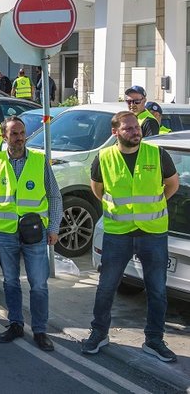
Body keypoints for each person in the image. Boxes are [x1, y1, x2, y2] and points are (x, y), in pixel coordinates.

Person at [82, 111, 179, 361]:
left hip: (153, 232)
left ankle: (154, 340)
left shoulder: (156, 154)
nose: (136, 132)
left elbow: (172, 184)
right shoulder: (104, 157)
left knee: (157, 289)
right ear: (115, 132)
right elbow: (97, 189)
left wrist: (154, 206)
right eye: (128, 129)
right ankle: (99, 333)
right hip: (118, 233)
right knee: (106, 287)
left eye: (136, 127)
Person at [0, 116, 63, 351]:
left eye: (22, 133)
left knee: (38, 284)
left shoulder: (39, 160)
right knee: (10, 282)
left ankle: (40, 330)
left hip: (35, 233)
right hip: (4, 233)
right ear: (4, 136)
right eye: (14, 134)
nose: (20, 138)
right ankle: (15, 324)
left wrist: (54, 227)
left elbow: (54, 195)